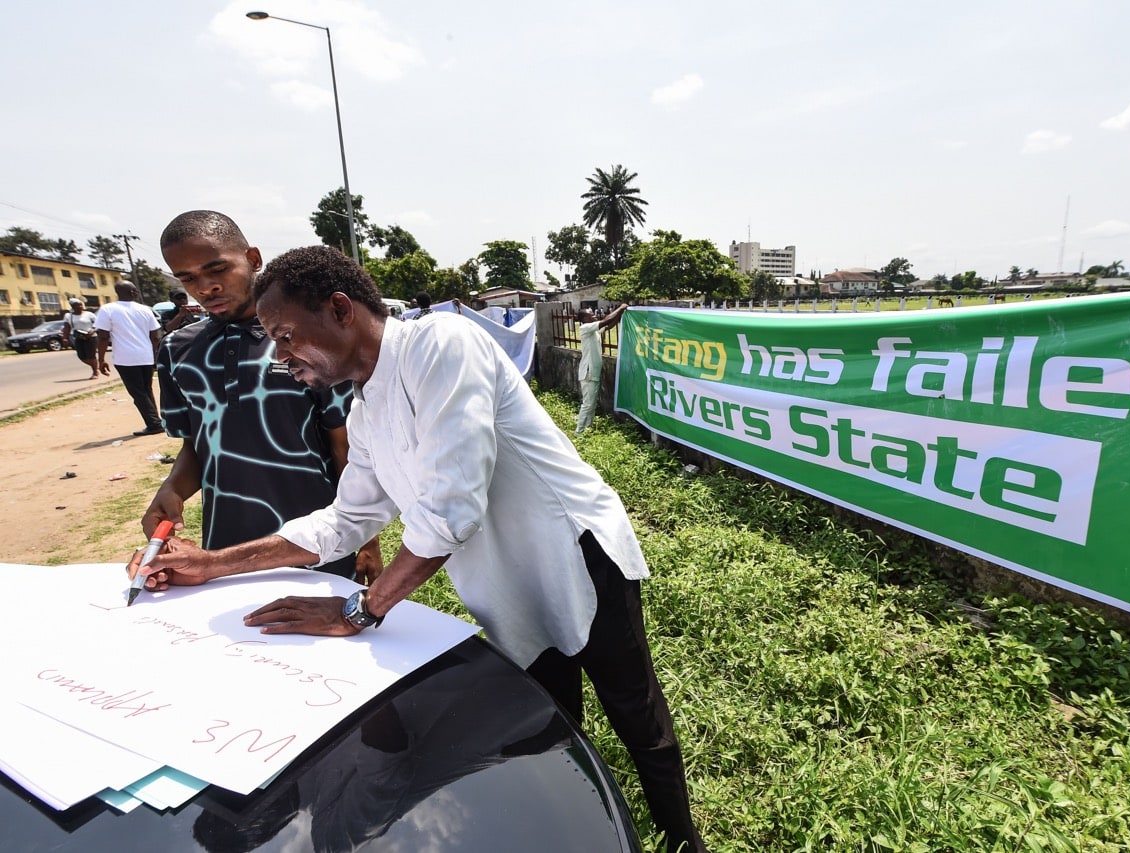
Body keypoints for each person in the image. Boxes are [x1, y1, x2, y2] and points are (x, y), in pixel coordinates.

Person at [141, 246, 707, 853]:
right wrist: (211, 563)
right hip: (499, 577)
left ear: (339, 309)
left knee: (633, 710)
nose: (280, 357)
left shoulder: (441, 344)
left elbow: (450, 509)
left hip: (573, 553)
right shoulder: (365, 411)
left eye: (285, 336)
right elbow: (345, 520)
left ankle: (681, 837)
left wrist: (361, 610)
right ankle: (585, 826)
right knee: (550, 718)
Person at [148, 211, 381, 582]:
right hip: (223, 547)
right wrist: (172, 488)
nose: (206, 287)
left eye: (218, 269)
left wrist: (367, 538)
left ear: (253, 259)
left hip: (317, 543)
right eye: (188, 278)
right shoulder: (177, 349)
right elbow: (197, 445)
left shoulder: (303, 336)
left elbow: (345, 446)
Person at [95, 280, 164, 435]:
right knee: (146, 390)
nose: (137, 293)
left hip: (125, 358)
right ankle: (156, 420)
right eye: (135, 290)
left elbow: (103, 337)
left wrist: (101, 359)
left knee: (138, 392)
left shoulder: (108, 309)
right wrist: (155, 354)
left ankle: (154, 424)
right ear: (131, 292)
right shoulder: (145, 310)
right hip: (145, 356)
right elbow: (155, 335)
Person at [575, 303, 628, 434]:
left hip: (593, 372)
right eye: (590, 314)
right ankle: (579, 432)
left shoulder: (593, 330)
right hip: (588, 373)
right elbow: (605, 321)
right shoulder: (585, 328)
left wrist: (620, 315)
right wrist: (620, 308)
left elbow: (608, 325)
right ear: (585, 318)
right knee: (588, 404)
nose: (594, 315)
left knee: (592, 404)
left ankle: (587, 429)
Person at [62, 298, 104, 378]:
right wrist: (65, 338)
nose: (80, 307)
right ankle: (96, 366)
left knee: (91, 355)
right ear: (73, 307)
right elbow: (66, 328)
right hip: (79, 337)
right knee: (82, 356)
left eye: (81, 305)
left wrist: (93, 330)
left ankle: (95, 372)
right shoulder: (68, 316)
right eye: (77, 306)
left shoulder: (89, 314)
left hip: (91, 337)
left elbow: (98, 324)